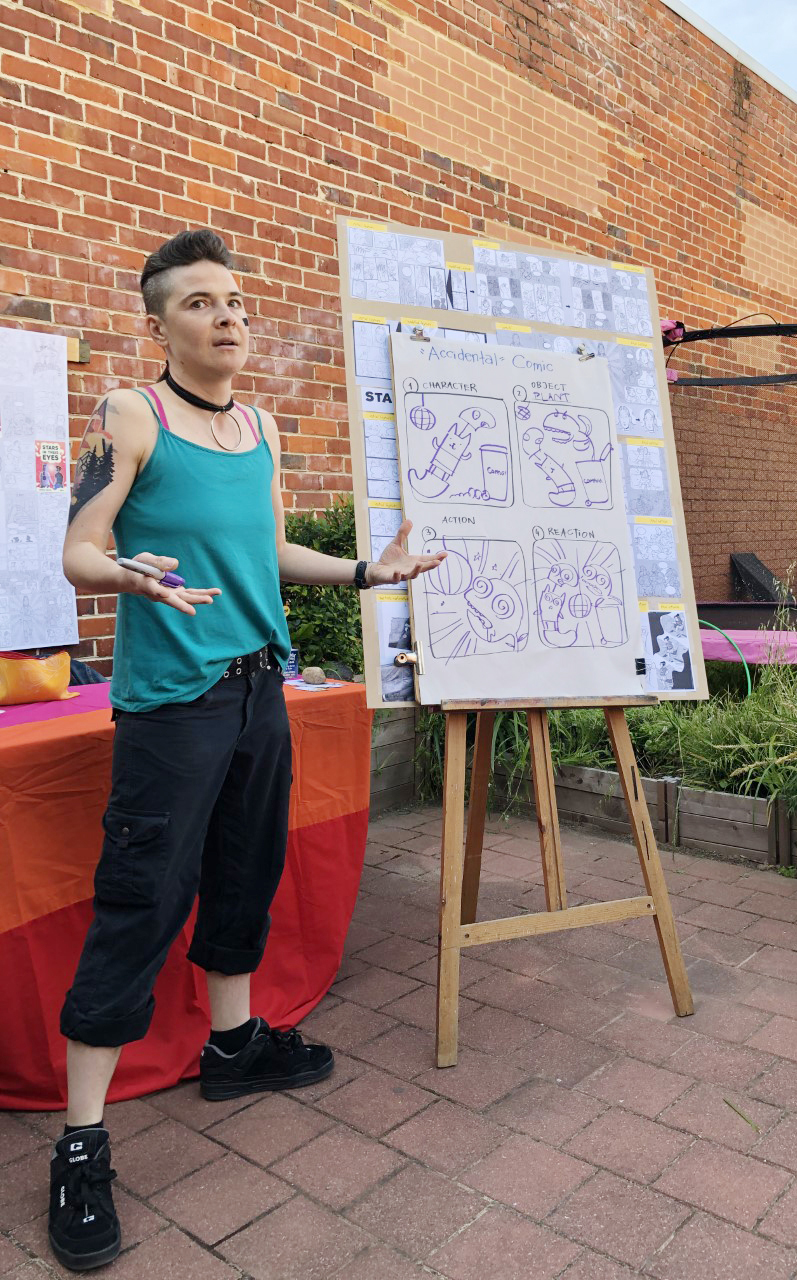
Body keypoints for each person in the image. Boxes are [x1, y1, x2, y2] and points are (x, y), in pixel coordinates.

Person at [50, 228, 445, 1272]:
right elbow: (77, 547)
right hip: (172, 707)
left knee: (243, 875)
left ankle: (231, 1047)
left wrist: (370, 569)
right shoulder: (131, 412)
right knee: (141, 896)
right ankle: (80, 1142)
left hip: (259, 691)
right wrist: (125, 575)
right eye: (198, 302)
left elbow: (266, 552)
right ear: (159, 323)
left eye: (234, 300)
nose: (226, 315)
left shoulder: (261, 425)